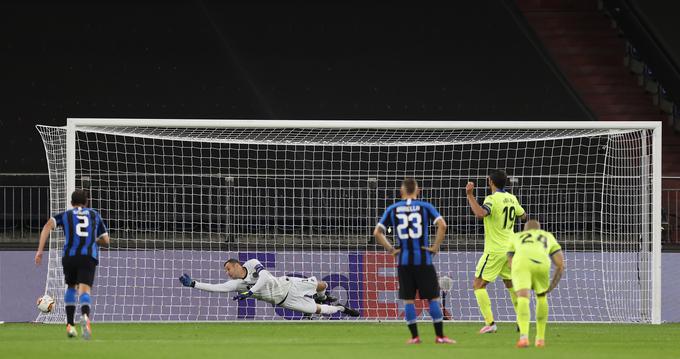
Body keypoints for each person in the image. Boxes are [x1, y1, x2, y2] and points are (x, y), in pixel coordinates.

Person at [373, 177, 455, 344]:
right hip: (423, 259)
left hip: (404, 261)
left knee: (408, 300)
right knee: (432, 298)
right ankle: (439, 336)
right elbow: (443, 225)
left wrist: (391, 250)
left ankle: (415, 337)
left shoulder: (393, 208)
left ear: (402, 191)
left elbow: (377, 233)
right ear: (418, 191)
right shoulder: (425, 207)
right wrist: (435, 247)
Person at [35, 189, 110, 339]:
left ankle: (70, 325)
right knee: (85, 289)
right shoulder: (94, 214)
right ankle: (85, 317)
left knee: (70, 287)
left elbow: (47, 226)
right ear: (86, 202)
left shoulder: (67, 215)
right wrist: (93, 241)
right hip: (88, 255)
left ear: (71, 203)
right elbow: (106, 241)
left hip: (70, 256)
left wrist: (40, 251)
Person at [179, 258, 360, 317]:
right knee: (320, 310)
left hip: (289, 283)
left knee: (323, 284)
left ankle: (322, 295)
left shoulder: (252, 263)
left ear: (236, 265)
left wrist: (250, 292)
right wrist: (194, 284)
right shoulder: (236, 284)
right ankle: (341, 308)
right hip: (285, 301)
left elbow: (265, 277)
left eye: (228, 269)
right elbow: (216, 287)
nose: (228, 273)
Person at [466, 169, 526, 334]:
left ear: (490, 182)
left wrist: (470, 195)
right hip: (511, 249)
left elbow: (480, 213)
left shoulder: (492, 199)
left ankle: (490, 323)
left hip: (495, 250)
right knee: (511, 284)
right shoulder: (512, 198)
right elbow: (524, 215)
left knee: (478, 284)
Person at [507, 220, 564, 348]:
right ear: (539, 229)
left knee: (522, 298)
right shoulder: (547, 236)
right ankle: (540, 339)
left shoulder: (516, 236)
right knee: (541, 296)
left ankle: (524, 338)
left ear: (524, 230)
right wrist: (552, 286)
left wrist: (518, 276)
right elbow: (560, 264)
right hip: (542, 264)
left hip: (522, 264)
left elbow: (510, 261)